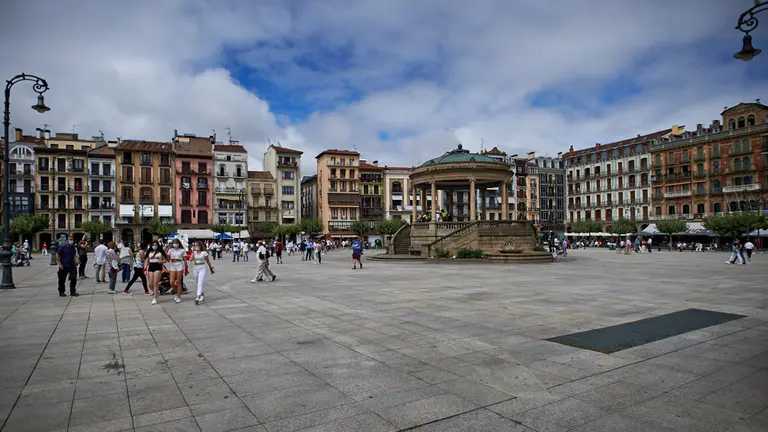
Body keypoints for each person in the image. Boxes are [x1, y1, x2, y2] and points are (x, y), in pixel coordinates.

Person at [145, 241, 167, 305]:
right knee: (150, 284)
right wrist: (145, 269)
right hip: (151, 266)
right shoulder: (149, 252)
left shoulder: (160, 252)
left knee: (155, 283)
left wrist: (161, 261)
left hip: (158, 266)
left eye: (156, 245)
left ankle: (155, 298)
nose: (154, 246)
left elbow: (165, 259)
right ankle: (156, 292)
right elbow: (146, 260)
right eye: (153, 245)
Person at [167, 239, 186, 303]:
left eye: (177, 243)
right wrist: (167, 253)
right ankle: (175, 291)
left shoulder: (182, 250)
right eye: (174, 243)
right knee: (171, 282)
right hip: (172, 265)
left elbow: (184, 259)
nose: (175, 244)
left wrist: (186, 267)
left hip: (179, 264)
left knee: (178, 281)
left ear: (179, 243)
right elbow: (168, 259)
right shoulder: (170, 250)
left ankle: (178, 296)